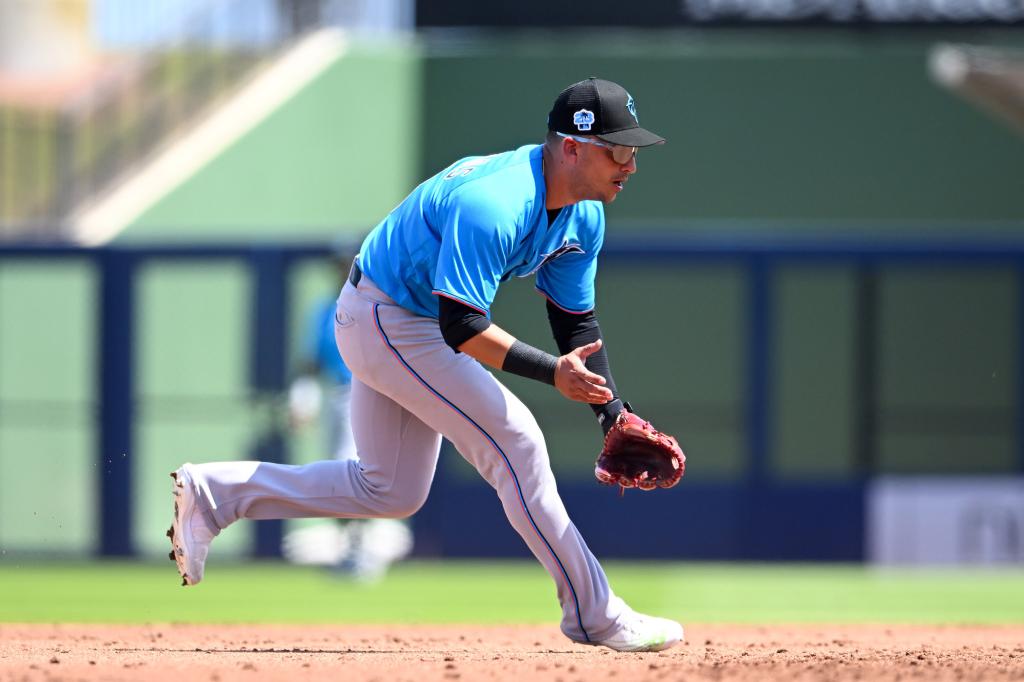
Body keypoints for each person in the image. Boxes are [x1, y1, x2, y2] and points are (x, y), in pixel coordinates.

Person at [168, 77, 684, 652]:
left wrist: (612, 414)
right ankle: (596, 614)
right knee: (517, 445)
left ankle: (215, 494)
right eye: (618, 149)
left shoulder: (583, 214)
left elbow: (576, 324)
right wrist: (551, 374)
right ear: (572, 147)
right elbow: (460, 326)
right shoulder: (494, 202)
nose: (630, 164)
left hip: (397, 317)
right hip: (385, 315)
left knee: (390, 490)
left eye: (633, 150)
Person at [282, 250, 413, 579]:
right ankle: (353, 545)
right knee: (341, 472)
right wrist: (303, 399)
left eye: (348, 263)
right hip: (339, 398)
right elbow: (311, 361)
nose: (342, 270)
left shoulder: (381, 305)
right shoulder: (326, 310)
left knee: (364, 472)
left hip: (375, 393)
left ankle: (362, 549)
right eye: (339, 265)